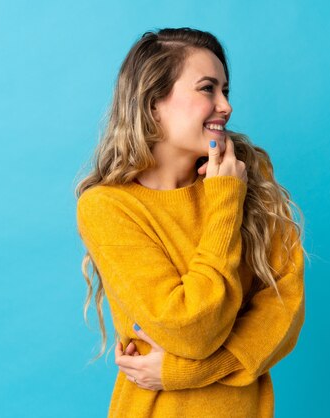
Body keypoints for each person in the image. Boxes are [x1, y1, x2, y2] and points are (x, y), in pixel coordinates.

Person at [75, 27, 307, 418]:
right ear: (153, 104)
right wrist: (224, 203)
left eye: (226, 91)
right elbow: (191, 329)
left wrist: (190, 371)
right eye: (207, 89)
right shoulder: (108, 207)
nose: (226, 106)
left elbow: (285, 308)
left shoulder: (250, 178)